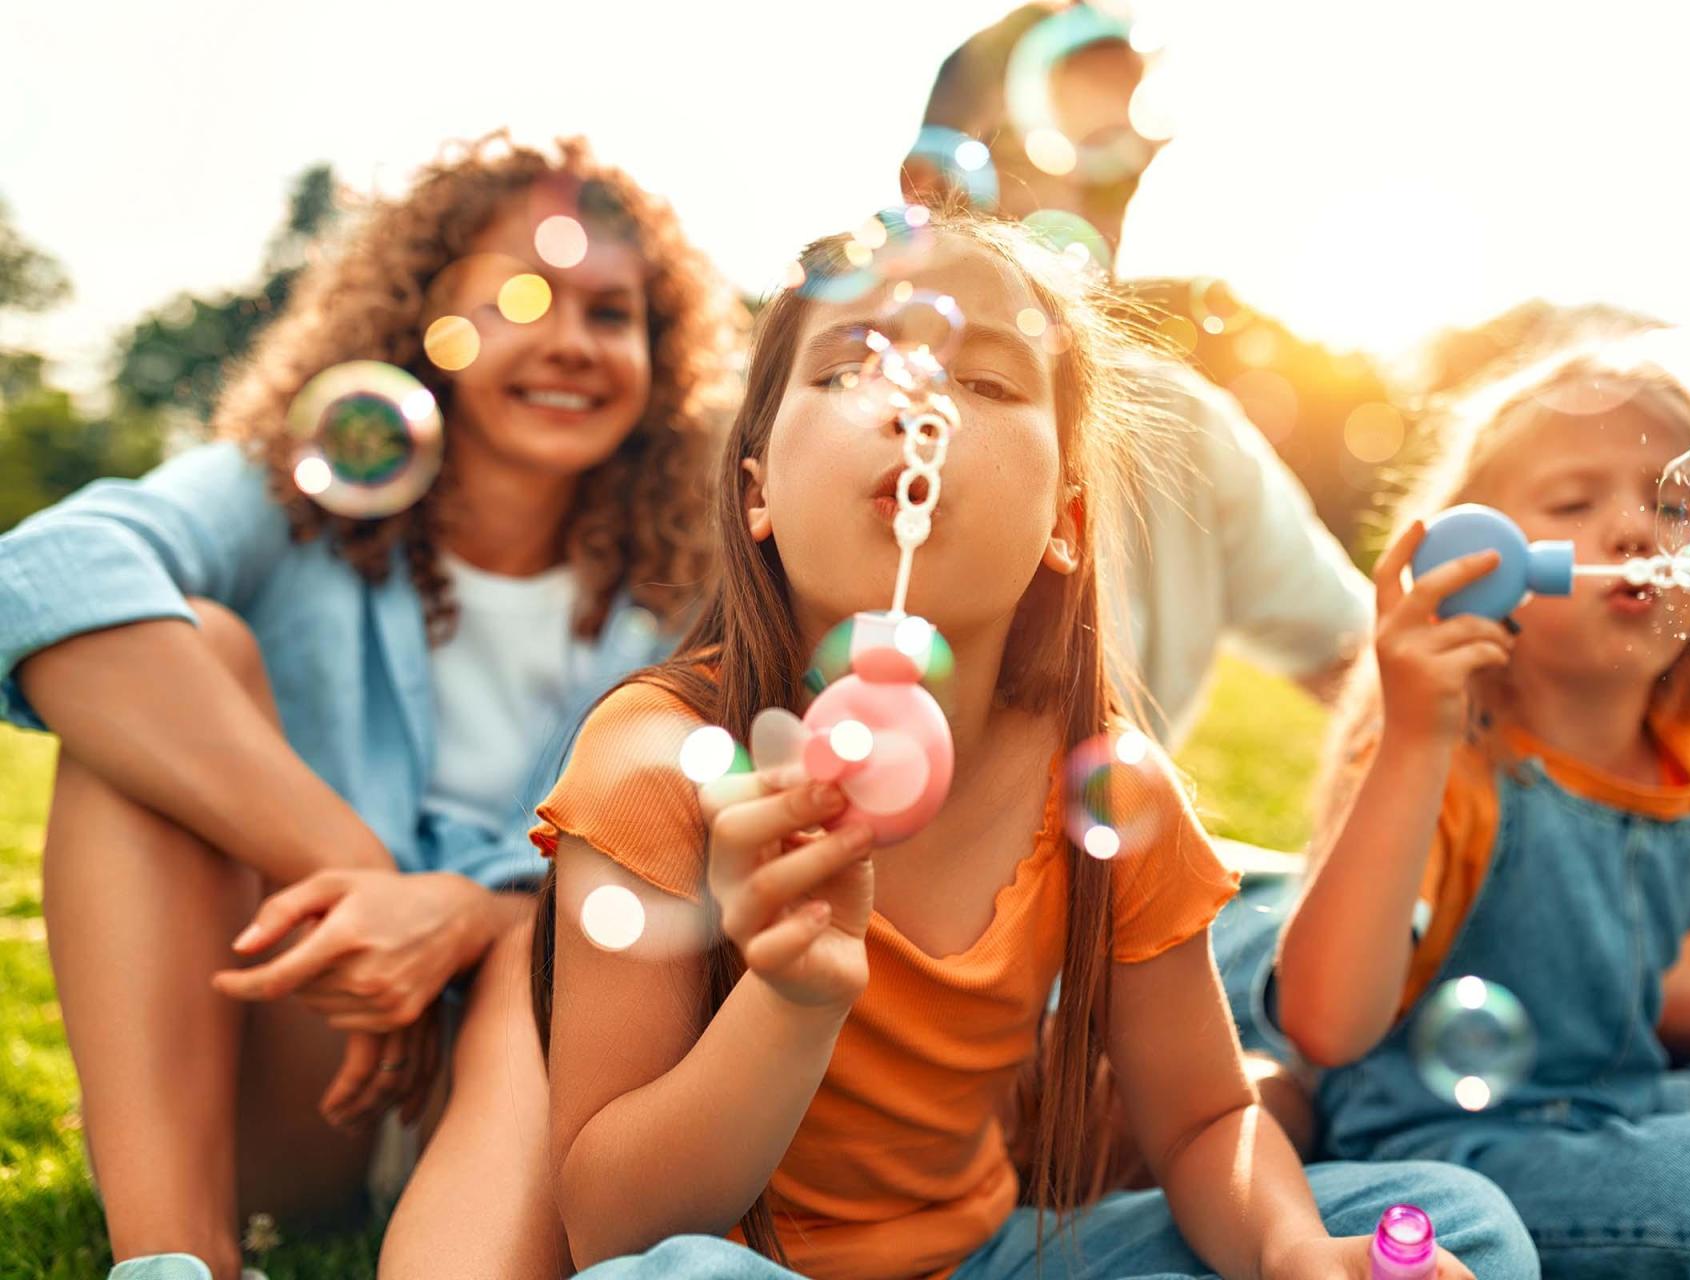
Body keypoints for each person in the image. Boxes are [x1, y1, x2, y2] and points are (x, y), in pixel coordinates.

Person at [525, 214, 1538, 1278]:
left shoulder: (1102, 787)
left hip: (1003, 1259)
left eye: (991, 387)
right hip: (752, 1264)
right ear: (756, 490)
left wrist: (1290, 1250)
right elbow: (614, 1232)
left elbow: (1201, 1121)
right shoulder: (658, 761)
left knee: (1447, 1225)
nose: (918, 405)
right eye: (848, 370)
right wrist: (791, 998)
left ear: (1066, 521)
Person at [0, 134, 739, 1280]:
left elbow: (672, 888)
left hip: (533, 1089)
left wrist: (464, 913)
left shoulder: (690, 589)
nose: (568, 343)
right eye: (521, 298)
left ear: (660, 356)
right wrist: (355, 868)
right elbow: (45, 575)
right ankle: (175, 1262)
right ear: (420, 326)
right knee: (178, 646)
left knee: (556, 916)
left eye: (611, 313)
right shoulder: (292, 487)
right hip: (309, 1064)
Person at [1276, 345, 1690, 1276]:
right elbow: (1326, 1025)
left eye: (1672, 508)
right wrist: (1416, 738)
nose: (1632, 531)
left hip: (1633, 1113)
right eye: (1575, 503)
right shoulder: (1446, 766)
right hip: (1456, 1151)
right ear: (1483, 561)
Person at [904, 0, 1371, 742]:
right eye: (1065, 153)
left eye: (1124, 167)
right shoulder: (822, 414)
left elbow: (1356, 662)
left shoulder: (1179, 424)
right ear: (934, 185)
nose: (1107, 198)